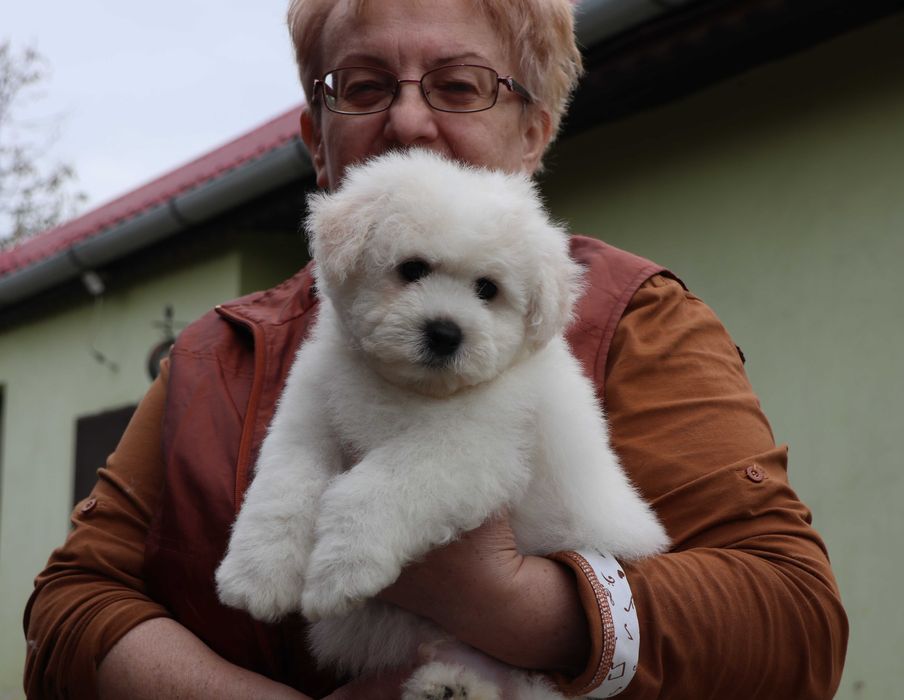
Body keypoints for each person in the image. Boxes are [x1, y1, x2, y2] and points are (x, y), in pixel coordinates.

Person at [23, 0, 848, 698]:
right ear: (317, 138)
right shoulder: (214, 355)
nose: (409, 119)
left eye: (460, 85)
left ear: (534, 133)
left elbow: (794, 625)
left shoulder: (640, 322)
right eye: (364, 85)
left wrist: (513, 603)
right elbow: (70, 609)